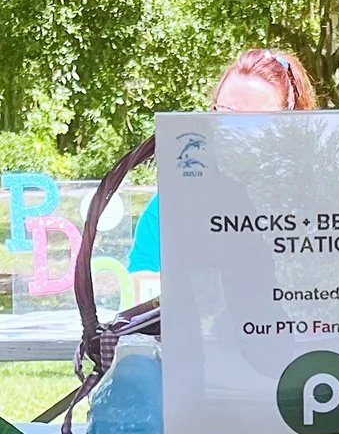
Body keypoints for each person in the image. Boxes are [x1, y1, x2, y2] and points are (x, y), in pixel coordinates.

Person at [127, 48, 319, 273]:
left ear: (290, 128)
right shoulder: (168, 209)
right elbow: (140, 292)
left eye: (255, 122)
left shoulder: (324, 204)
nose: (235, 132)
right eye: (226, 113)